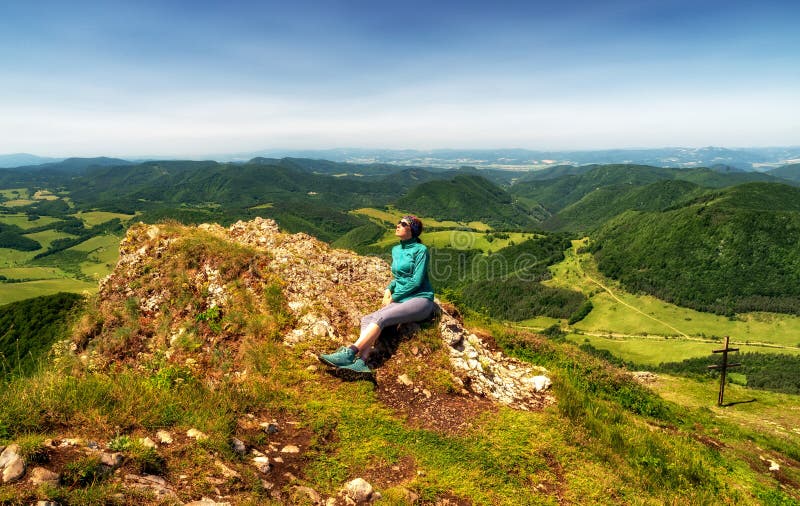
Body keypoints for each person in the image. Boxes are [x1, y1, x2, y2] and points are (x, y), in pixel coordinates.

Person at [319, 215, 435, 376]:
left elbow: (416, 281)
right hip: (402, 299)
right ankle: (361, 362)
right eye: (398, 222)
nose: (398, 225)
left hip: (420, 299)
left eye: (403, 223)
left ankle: (350, 352)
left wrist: (394, 297)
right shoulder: (396, 249)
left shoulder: (420, 250)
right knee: (366, 319)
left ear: (412, 230)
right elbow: (399, 277)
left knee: (381, 318)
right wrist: (389, 289)